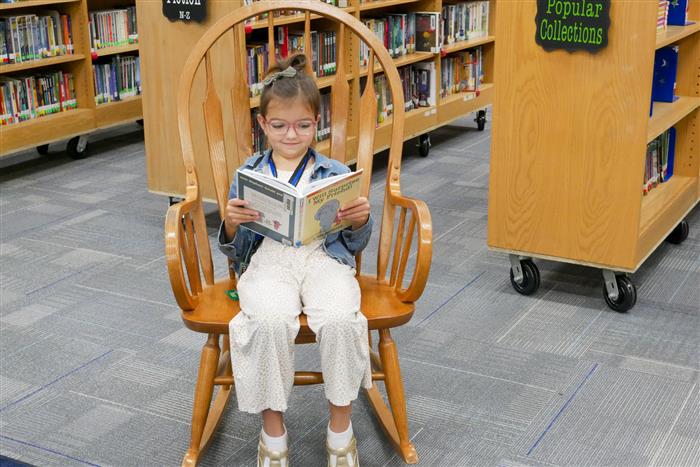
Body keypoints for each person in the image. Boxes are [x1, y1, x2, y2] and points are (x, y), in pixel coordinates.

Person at [218, 53, 372, 467]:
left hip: (323, 257)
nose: (292, 135)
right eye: (280, 126)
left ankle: (340, 431)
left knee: (341, 319)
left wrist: (360, 220)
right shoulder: (248, 173)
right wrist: (231, 225)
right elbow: (235, 250)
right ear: (263, 124)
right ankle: (273, 435)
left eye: (304, 126)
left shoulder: (333, 172)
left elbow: (353, 245)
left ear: (316, 124)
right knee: (267, 323)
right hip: (268, 260)